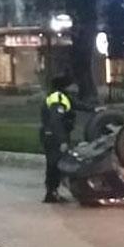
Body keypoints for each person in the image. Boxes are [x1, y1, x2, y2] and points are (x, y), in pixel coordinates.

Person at [40, 74, 76, 204]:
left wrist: (94, 108)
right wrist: (62, 141)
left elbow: (75, 105)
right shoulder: (57, 98)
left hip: (51, 134)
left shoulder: (60, 96)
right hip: (54, 136)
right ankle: (51, 193)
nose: (74, 87)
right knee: (54, 165)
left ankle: (52, 192)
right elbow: (56, 121)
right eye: (71, 84)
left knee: (54, 164)